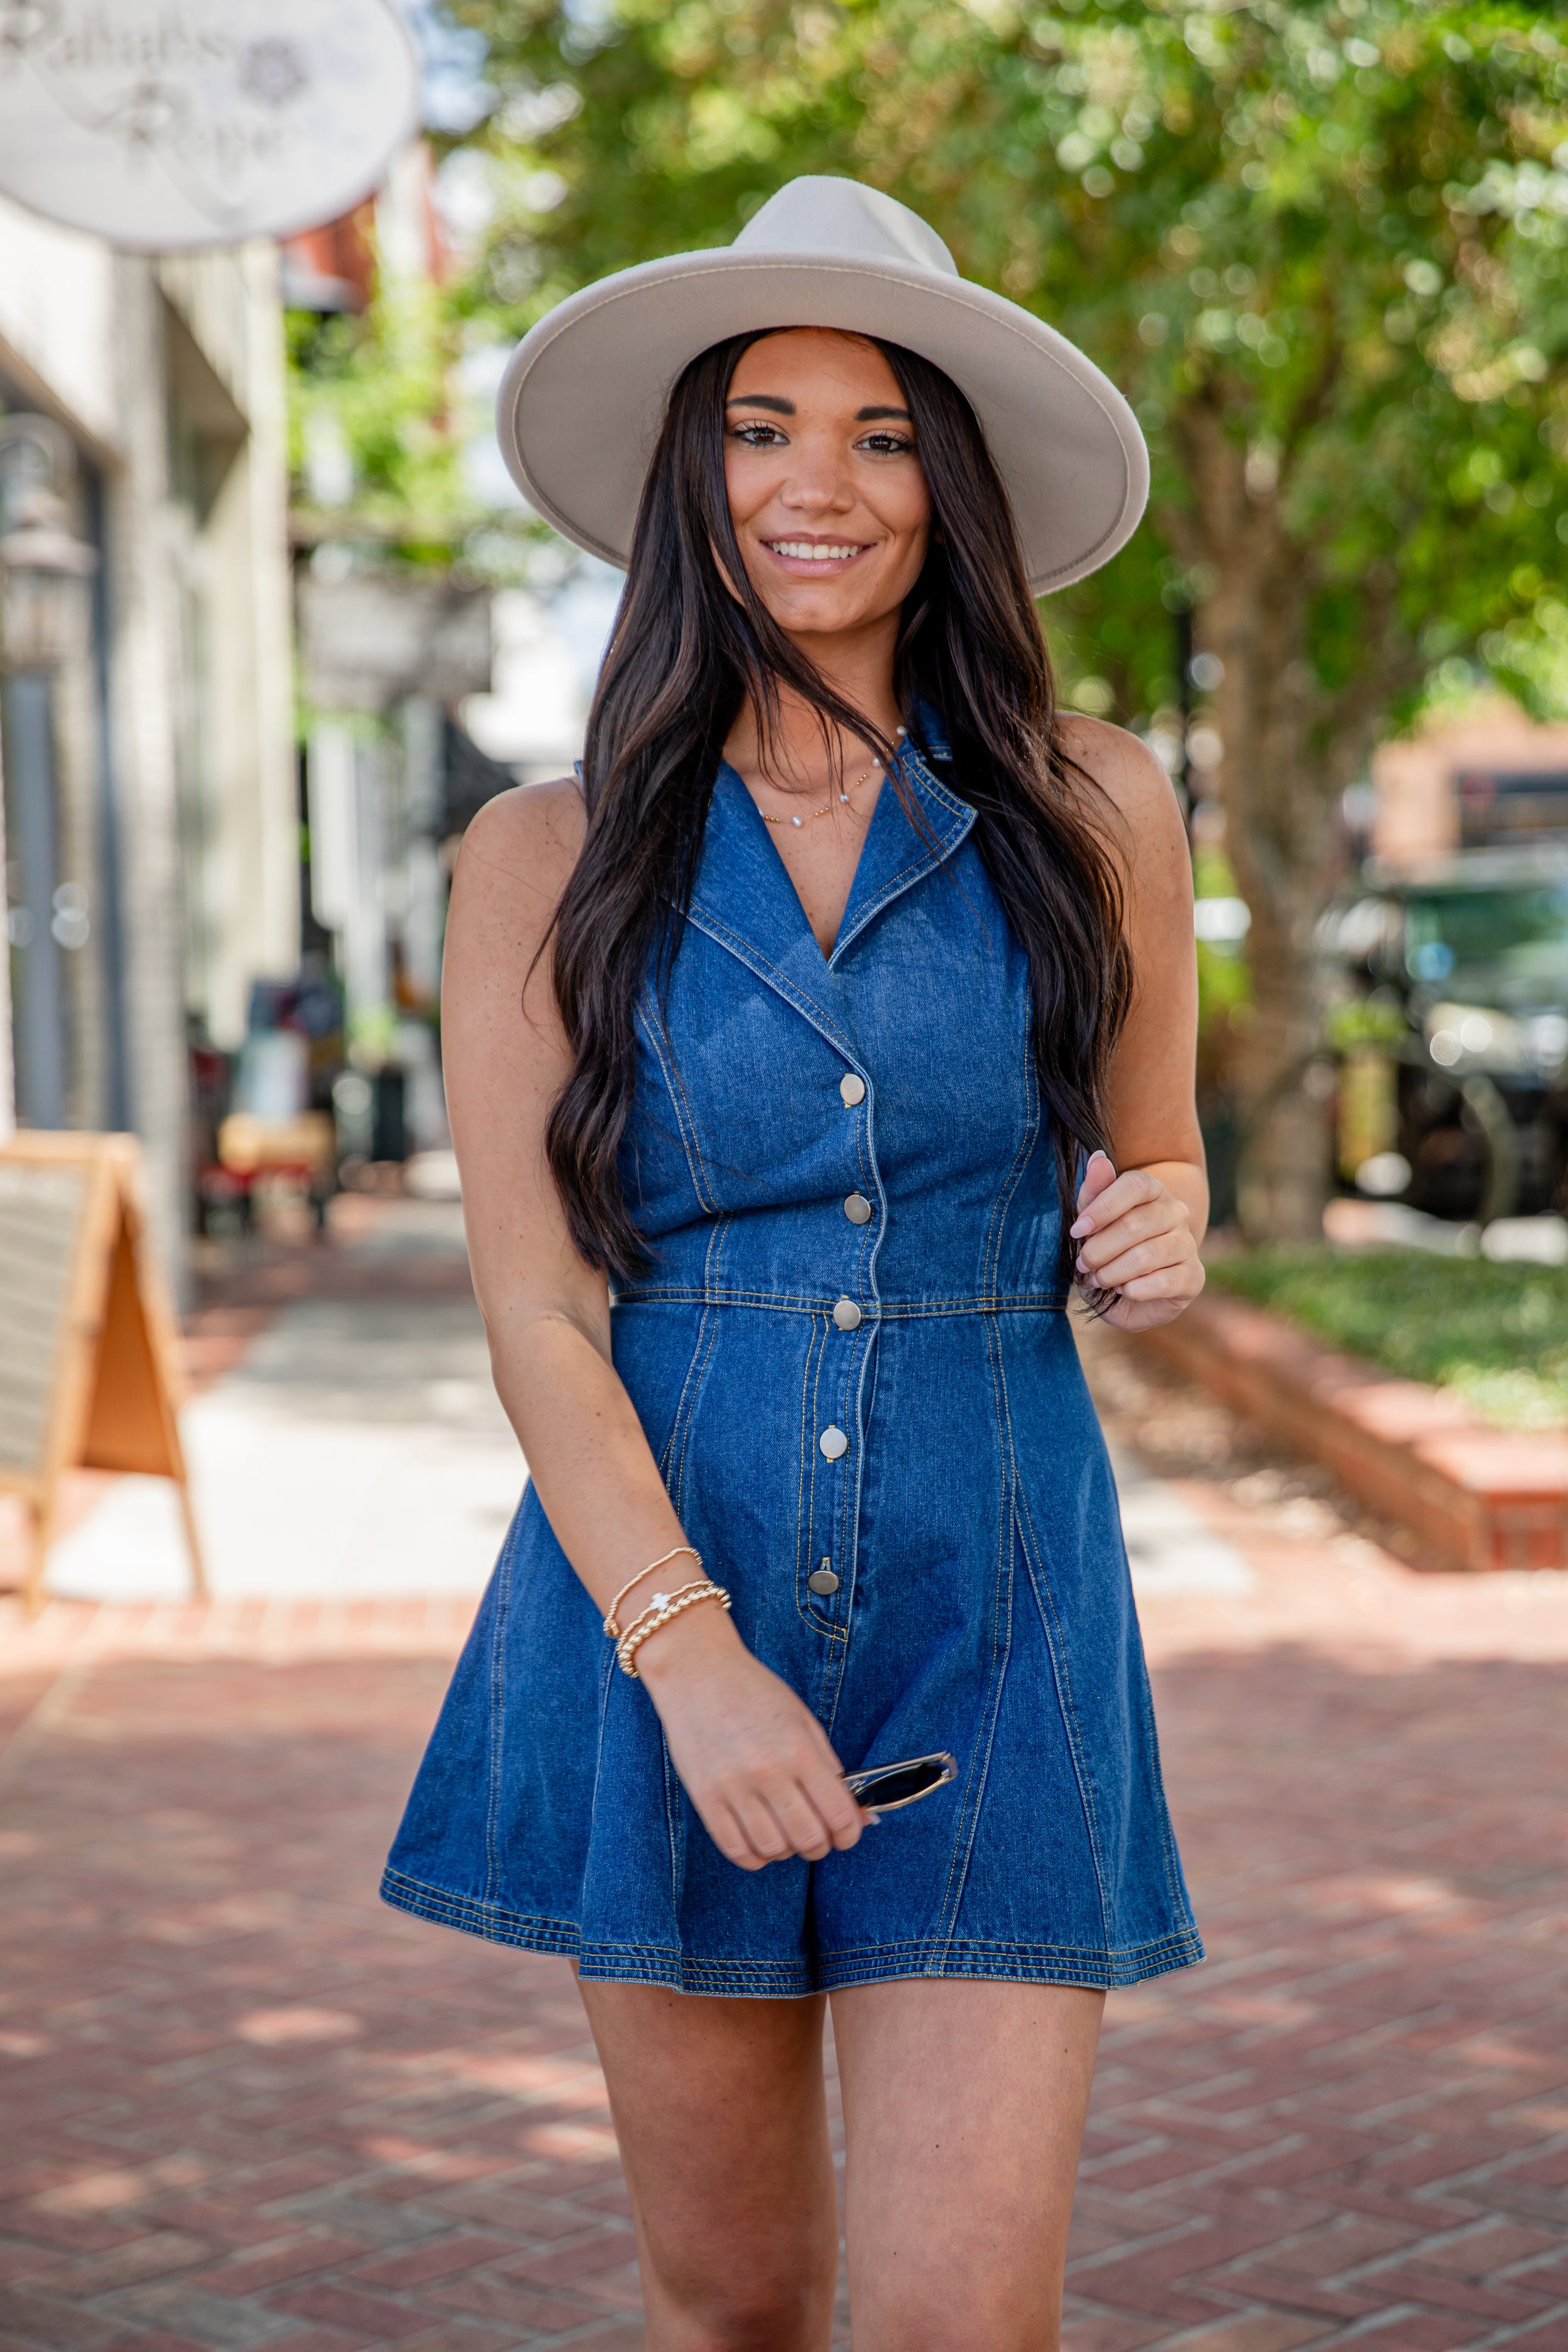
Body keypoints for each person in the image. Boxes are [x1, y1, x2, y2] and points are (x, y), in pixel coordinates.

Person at [383, 177, 1208, 2351]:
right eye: (760, 427)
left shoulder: (1094, 801)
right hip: (668, 1588)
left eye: (878, 429)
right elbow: (540, 1303)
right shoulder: (540, 857)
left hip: (994, 1592)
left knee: (961, 2317)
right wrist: (687, 1651)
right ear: (690, 474)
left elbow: (1160, 1158)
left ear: (951, 479)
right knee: (736, 2304)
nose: (814, 485)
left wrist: (1164, 1227)